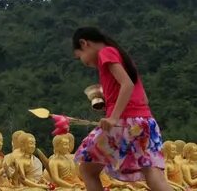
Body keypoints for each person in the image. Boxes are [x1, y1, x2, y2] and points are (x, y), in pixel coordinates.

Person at [72, 27, 172, 191]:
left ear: (84, 43)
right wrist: (109, 104)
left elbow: (127, 84)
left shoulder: (106, 53)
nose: (84, 62)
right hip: (145, 121)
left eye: (79, 56)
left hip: (124, 121)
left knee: (87, 169)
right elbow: (143, 98)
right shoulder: (122, 57)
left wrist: (113, 116)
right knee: (153, 173)